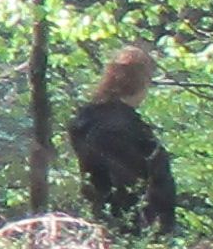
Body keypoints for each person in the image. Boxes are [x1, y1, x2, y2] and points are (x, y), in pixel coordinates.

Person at [72, 43, 179, 237]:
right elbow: (128, 180)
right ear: (141, 81)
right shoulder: (116, 126)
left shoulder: (91, 118)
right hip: (129, 227)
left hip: (108, 218)